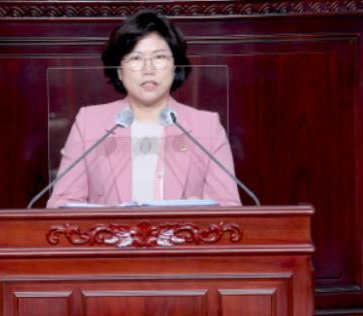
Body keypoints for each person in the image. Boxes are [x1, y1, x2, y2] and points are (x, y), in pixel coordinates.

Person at [47, 11, 241, 208]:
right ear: (119, 71)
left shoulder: (206, 126)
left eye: (159, 57)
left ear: (175, 67)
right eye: (136, 58)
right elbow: (61, 205)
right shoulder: (89, 123)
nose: (148, 69)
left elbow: (229, 208)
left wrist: (199, 213)